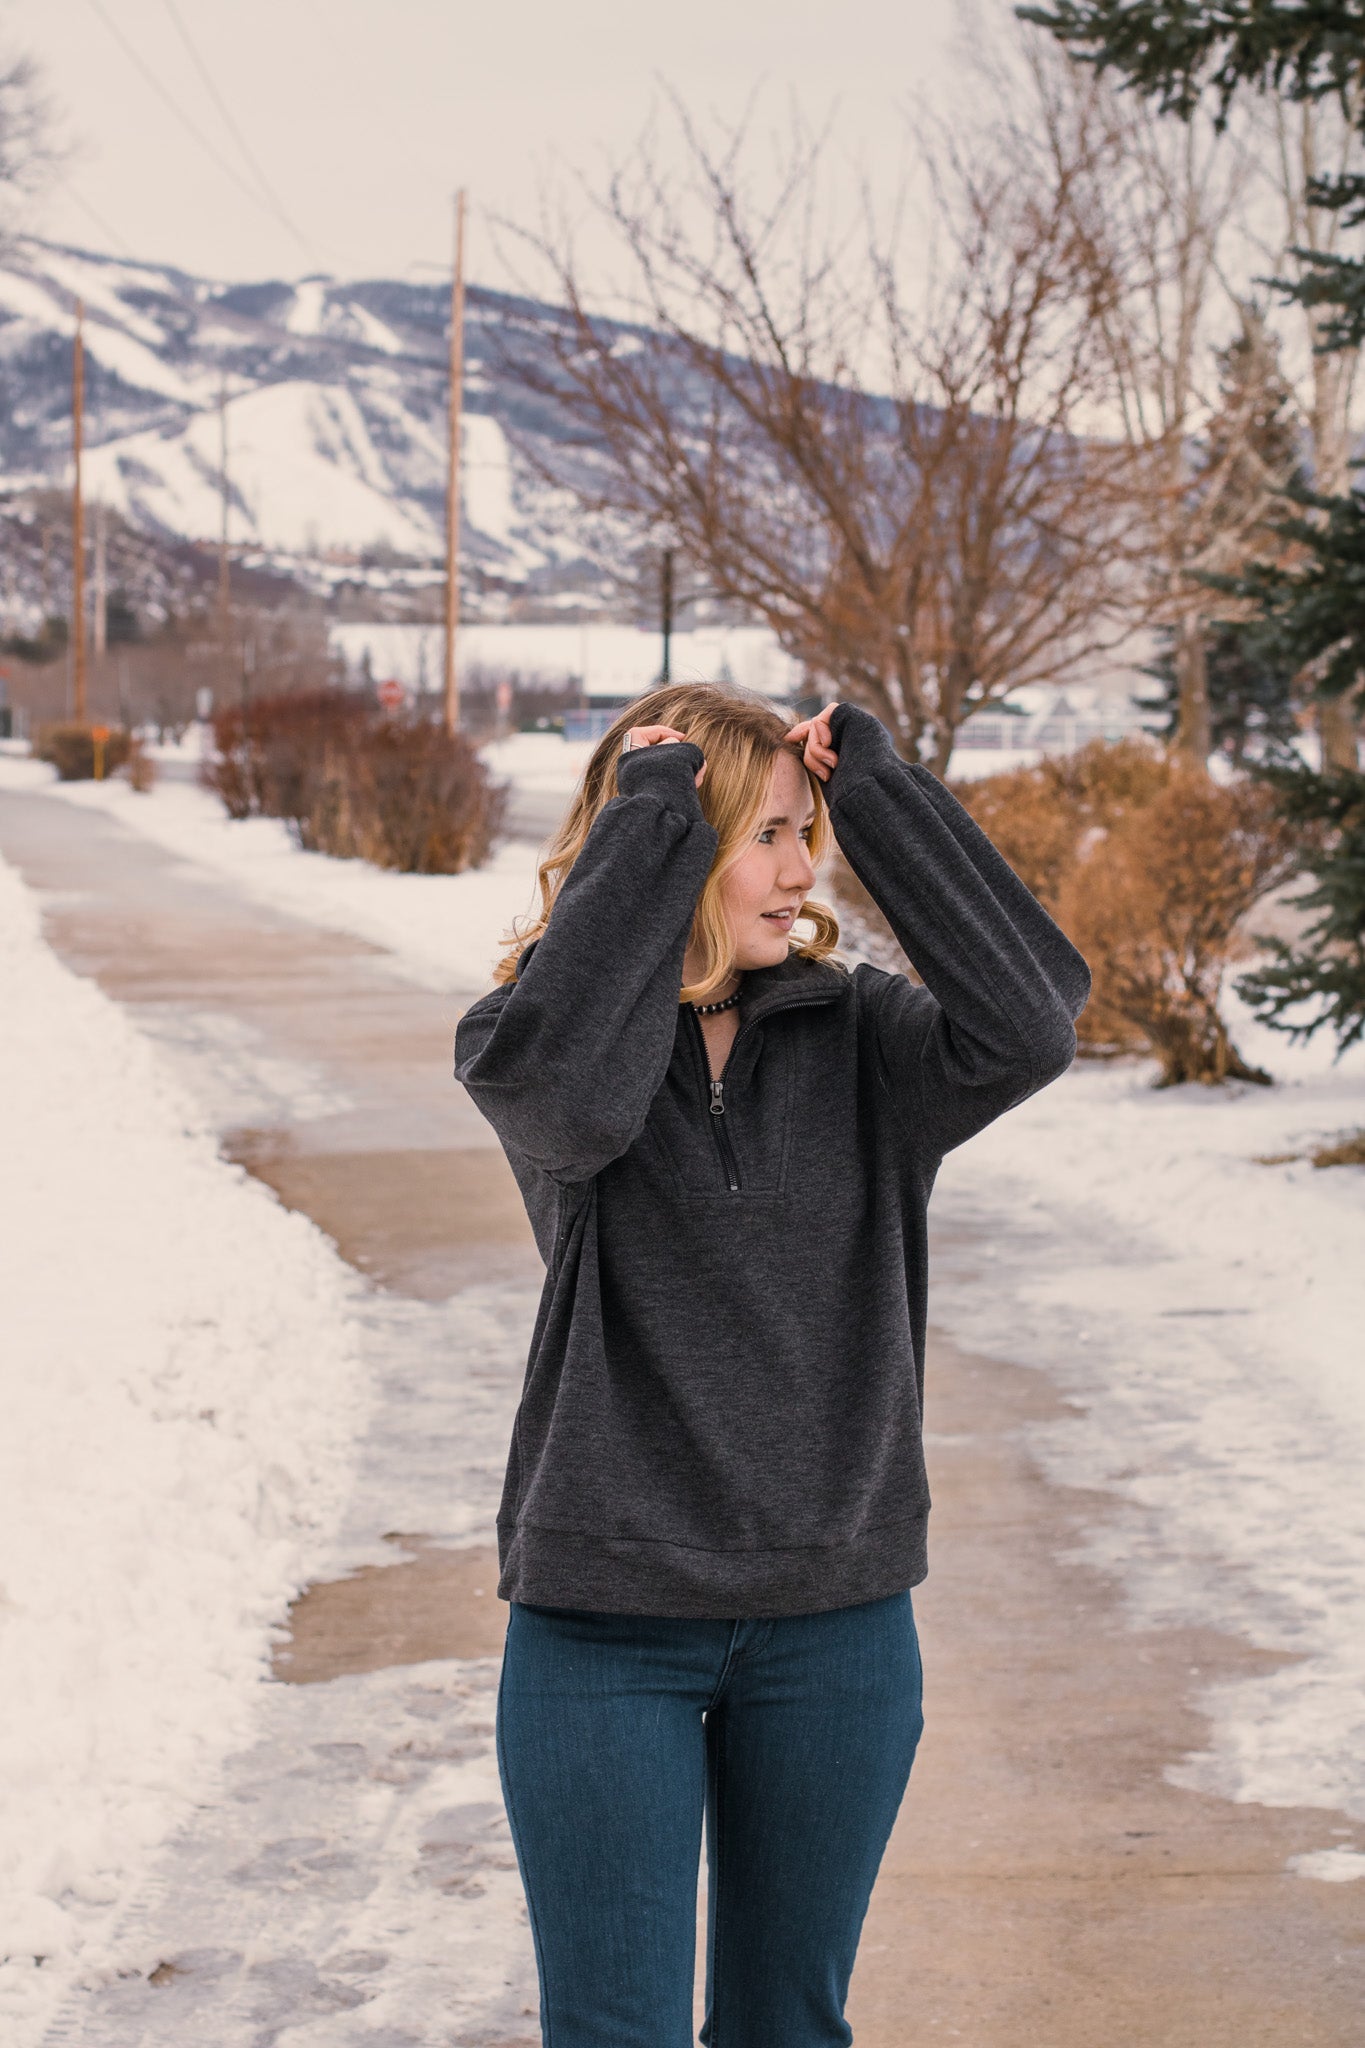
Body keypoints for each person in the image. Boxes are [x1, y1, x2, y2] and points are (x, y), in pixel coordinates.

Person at [453, 684, 1090, 2047]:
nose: (800, 872)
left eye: (808, 834)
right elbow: (565, 1104)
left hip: (835, 1626)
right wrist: (650, 819)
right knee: (611, 2030)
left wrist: (882, 795)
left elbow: (1034, 1022)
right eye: (762, 838)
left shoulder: (869, 1042)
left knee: (784, 2027)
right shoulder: (538, 1044)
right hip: (600, 1624)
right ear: (667, 845)